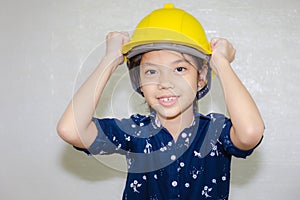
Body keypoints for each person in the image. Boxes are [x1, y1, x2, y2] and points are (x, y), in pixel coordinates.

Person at [57, 4, 264, 200]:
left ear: (201, 78)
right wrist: (111, 59)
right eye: (151, 71)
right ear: (139, 81)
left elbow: (251, 132)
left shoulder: (216, 132)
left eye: (180, 69)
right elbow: (70, 129)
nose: (165, 82)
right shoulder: (135, 132)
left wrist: (221, 62)